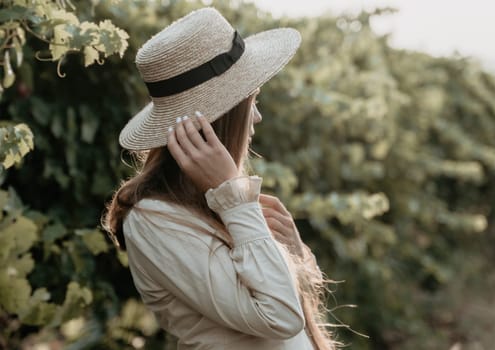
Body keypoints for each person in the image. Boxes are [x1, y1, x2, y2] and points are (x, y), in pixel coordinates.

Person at [102, 7, 339, 350]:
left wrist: (293, 252)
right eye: (252, 101)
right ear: (220, 119)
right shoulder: (153, 220)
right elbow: (281, 317)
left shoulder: (215, 200)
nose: (257, 117)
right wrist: (235, 199)